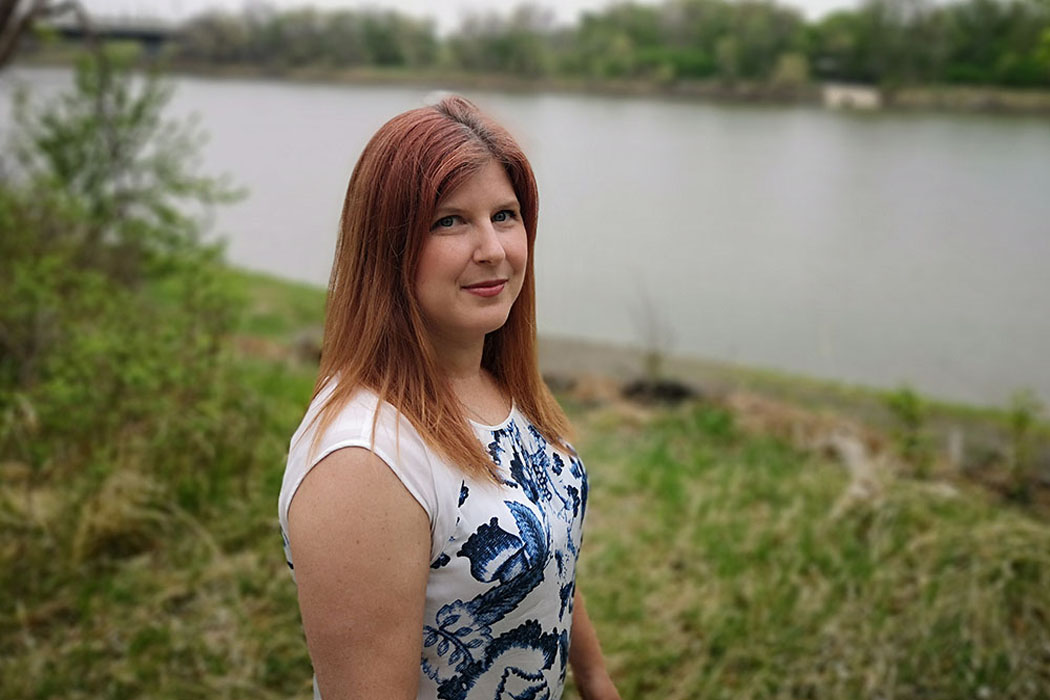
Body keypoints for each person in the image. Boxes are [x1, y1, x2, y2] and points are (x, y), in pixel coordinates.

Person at [277, 95, 621, 700]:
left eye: (505, 215)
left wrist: (594, 679)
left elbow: (546, 546)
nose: (493, 249)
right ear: (386, 248)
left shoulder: (493, 376)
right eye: (450, 221)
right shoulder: (363, 462)